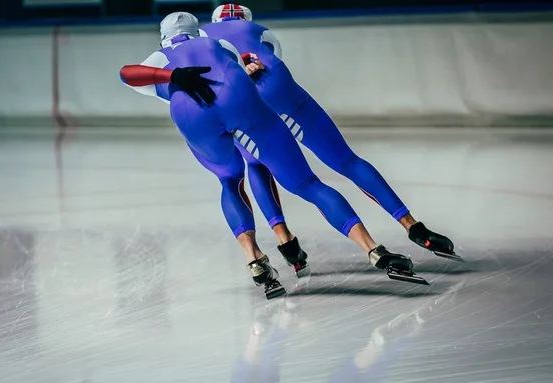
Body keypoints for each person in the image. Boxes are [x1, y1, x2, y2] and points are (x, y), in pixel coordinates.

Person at [119, 12, 428, 299]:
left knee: (229, 180)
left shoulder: (159, 57)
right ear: (196, 31)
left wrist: (170, 75)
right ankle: (373, 249)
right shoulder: (217, 43)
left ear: (164, 38)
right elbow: (248, 62)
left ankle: (254, 260)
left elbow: (127, 73)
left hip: (191, 115)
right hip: (240, 98)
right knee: (307, 183)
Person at [199, 4, 463, 264]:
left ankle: (285, 241)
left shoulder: (202, 37)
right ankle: (413, 225)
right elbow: (275, 57)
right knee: (347, 160)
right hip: (276, 84)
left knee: (259, 164)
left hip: (238, 100)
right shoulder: (259, 30)